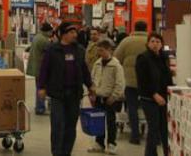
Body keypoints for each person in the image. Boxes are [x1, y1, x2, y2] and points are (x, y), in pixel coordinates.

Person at [38, 22, 95, 156]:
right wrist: (41, 87)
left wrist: (90, 85)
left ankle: (66, 152)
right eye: (71, 32)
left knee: (71, 126)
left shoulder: (79, 50)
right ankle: (57, 152)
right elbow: (44, 69)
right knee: (58, 125)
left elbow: (84, 70)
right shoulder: (52, 50)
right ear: (63, 34)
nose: (75, 35)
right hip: (58, 93)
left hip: (74, 94)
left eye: (75, 32)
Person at [135, 32, 173, 156]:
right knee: (154, 128)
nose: (155, 44)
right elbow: (143, 80)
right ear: (147, 43)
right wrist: (154, 94)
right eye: (152, 41)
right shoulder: (143, 58)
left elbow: (166, 77)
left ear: (162, 44)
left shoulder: (163, 58)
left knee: (164, 128)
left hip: (164, 97)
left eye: (158, 42)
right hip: (149, 98)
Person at [114, 21, 149, 145]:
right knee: (149, 107)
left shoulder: (126, 41)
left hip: (129, 80)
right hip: (147, 81)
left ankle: (135, 136)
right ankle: (154, 137)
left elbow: (116, 58)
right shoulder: (150, 41)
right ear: (146, 28)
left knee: (132, 107)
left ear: (134, 28)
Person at [88, 40, 125, 155]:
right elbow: (92, 79)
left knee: (111, 122)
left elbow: (120, 83)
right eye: (99, 50)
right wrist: (92, 94)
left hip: (110, 99)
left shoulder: (116, 66)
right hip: (98, 97)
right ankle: (99, 143)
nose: (100, 53)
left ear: (109, 50)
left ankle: (112, 144)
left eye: (102, 50)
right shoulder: (97, 64)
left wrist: (114, 96)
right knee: (98, 121)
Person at [26, 22, 54, 115]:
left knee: (39, 87)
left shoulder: (37, 37)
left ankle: (39, 106)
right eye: (51, 32)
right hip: (40, 68)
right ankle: (40, 108)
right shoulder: (44, 40)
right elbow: (51, 51)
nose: (52, 34)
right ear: (47, 31)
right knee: (41, 88)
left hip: (36, 67)